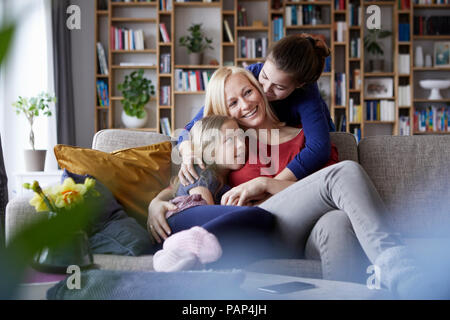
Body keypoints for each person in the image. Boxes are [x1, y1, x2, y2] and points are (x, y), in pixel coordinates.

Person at [149, 66, 444, 298]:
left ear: (261, 90)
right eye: (233, 103)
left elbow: (336, 194)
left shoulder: (307, 139)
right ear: (226, 113)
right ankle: (404, 272)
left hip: (311, 232)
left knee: (338, 221)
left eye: (248, 92)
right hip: (265, 229)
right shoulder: (233, 147)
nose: (246, 104)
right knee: (345, 172)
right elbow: (191, 184)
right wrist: (156, 203)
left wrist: (265, 184)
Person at [177, 34, 335, 187]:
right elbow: (192, 126)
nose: (265, 89)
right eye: (264, 77)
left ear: (299, 85)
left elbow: (319, 147)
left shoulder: (306, 91)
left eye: (279, 87)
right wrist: (186, 151)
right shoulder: (250, 76)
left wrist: (269, 186)